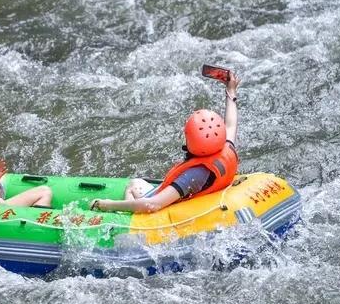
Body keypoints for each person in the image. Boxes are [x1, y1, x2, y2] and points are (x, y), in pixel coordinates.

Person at [91, 72, 241, 213]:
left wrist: (107, 204)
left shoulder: (194, 174)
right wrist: (231, 91)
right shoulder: (226, 147)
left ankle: (128, 217)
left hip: (168, 206)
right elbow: (231, 124)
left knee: (134, 184)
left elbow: (153, 204)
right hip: (209, 189)